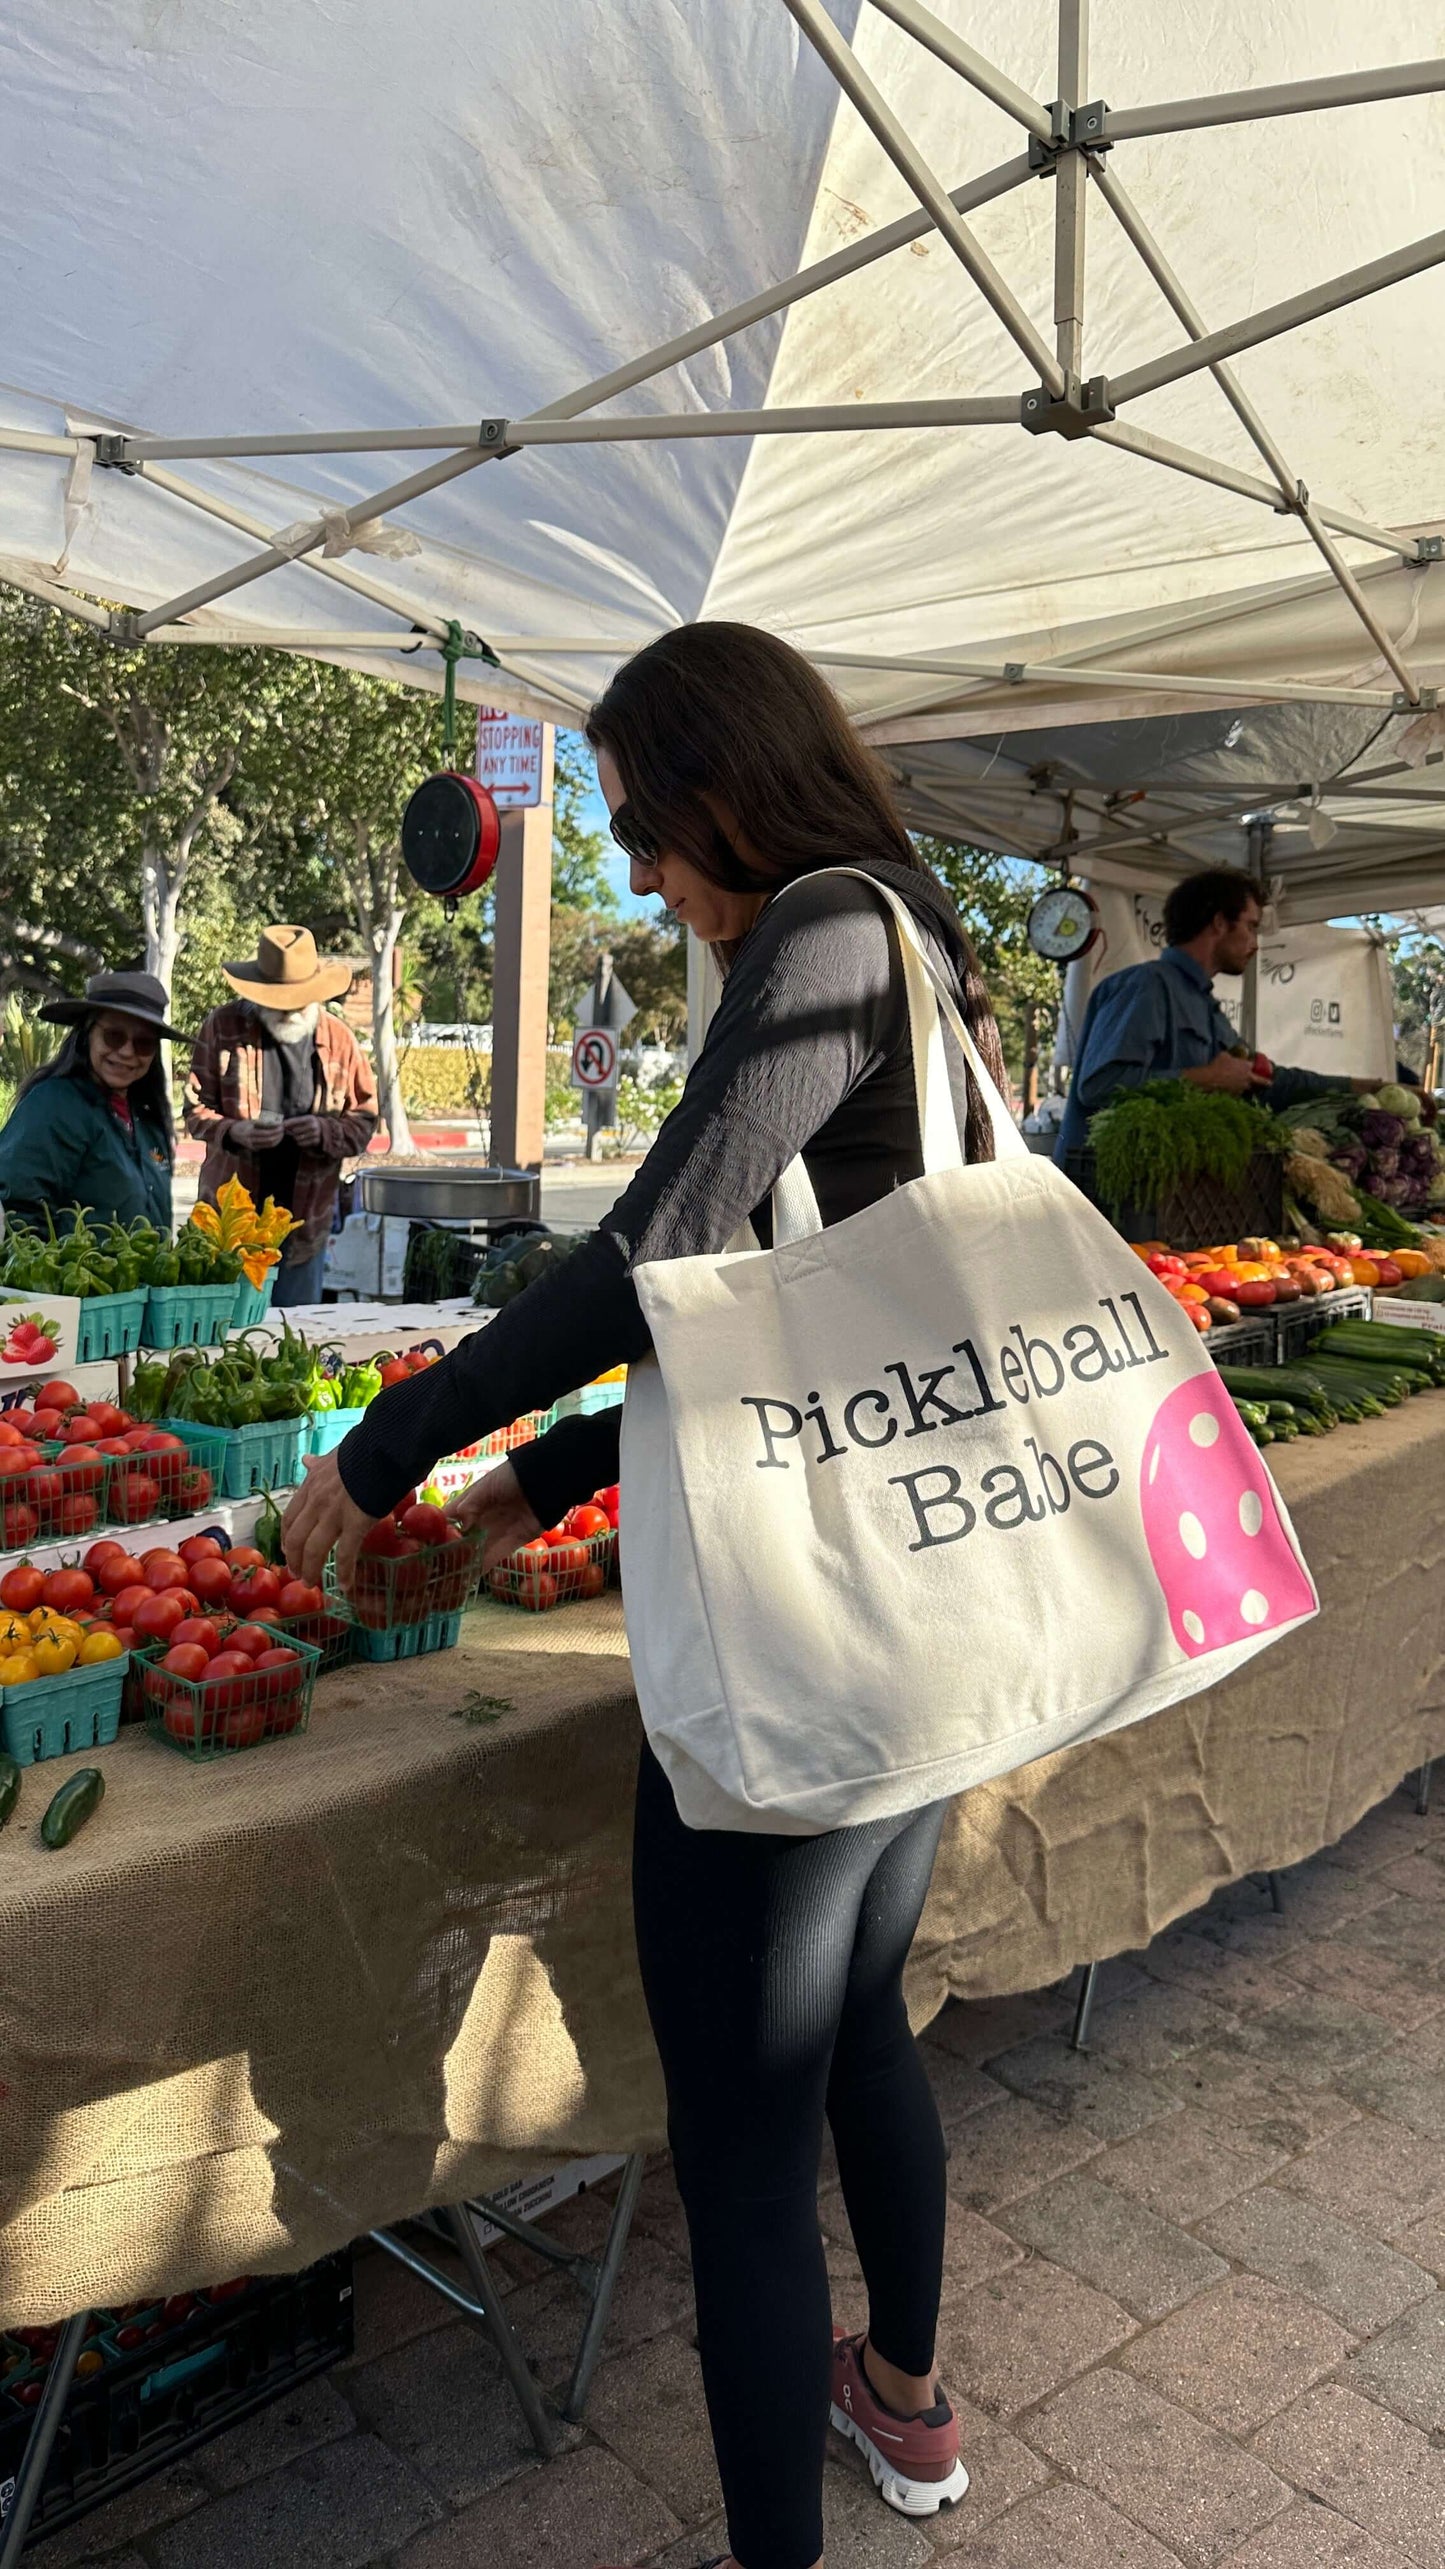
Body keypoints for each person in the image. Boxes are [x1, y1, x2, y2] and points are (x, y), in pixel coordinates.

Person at [283, 621, 1014, 2569]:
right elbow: (786, 1315)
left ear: (724, 784)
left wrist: (393, 1443)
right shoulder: (923, 953)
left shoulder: (821, 933)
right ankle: (909, 2399)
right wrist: (538, 1468)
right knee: (857, 2017)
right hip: (920, 1617)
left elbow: (661, 1250)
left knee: (744, 2161)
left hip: (812, 1652)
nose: (630, 872)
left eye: (634, 825)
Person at [1055, 866, 1372, 1162]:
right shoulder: (1148, 986)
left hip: (1171, 1196)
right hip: (1111, 1202)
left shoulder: (1205, 1006)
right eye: (1250, 926)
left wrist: (1368, 1088)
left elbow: (1271, 1081)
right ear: (1220, 922)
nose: (1255, 944)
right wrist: (1204, 1079)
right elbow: (1099, 1086)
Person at [184, 926, 378, 1308]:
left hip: (304, 1224)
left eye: (299, 1002)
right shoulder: (223, 1027)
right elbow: (194, 1111)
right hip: (229, 1226)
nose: (289, 1011)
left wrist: (324, 1131)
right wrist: (234, 1131)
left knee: (293, 1336)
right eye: (278, 1002)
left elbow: (364, 1121)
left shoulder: (339, 1039)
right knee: (223, 1340)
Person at [0, 969, 183, 1232]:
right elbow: (20, 1211)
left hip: (141, 1274)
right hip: (76, 1272)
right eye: (114, 1036)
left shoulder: (147, 1120)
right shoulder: (54, 1105)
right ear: (87, 1033)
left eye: (143, 1043)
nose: (127, 1052)